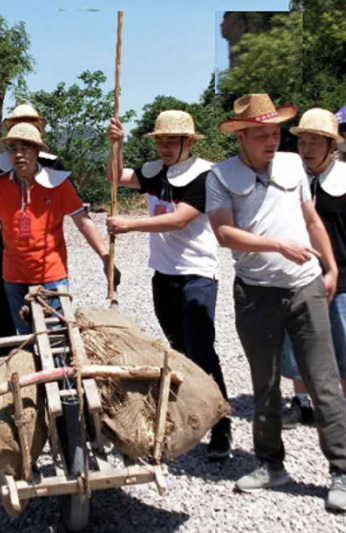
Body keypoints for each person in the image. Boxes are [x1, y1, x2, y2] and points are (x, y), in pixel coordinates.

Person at [205, 94, 346, 511]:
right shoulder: (220, 176)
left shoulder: (292, 165)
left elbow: (311, 219)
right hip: (255, 293)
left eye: (275, 133)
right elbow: (224, 234)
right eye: (262, 135)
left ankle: (342, 471)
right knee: (266, 383)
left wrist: (330, 267)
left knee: (323, 381)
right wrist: (277, 245)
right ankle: (271, 464)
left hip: (305, 287)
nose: (272, 141)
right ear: (241, 136)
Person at [105, 110, 232, 461]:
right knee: (178, 349)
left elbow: (180, 219)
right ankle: (190, 415)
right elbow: (115, 177)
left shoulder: (205, 175)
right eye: (160, 140)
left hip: (197, 273)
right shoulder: (153, 171)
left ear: (187, 142)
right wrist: (116, 145)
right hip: (163, 274)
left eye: (171, 140)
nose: (164, 146)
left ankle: (221, 424)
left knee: (202, 350)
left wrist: (128, 225)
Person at [0, 123, 116, 333]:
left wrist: (106, 258)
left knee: (56, 338)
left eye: (25, 148)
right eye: (14, 148)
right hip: (14, 276)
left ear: (37, 151)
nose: (19, 154)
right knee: (26, 337)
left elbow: (83, 222)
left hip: (51, 275)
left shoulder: (58, 184)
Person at [280, 108, 346, 439]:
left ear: (331, 145)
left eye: (314, 142)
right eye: (303, 142)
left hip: (343, 274)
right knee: (295, 339)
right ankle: (301, 401)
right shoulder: (290, 178)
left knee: (343, 341)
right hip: (297, 271)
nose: (306, 148)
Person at [0, 104, 64, 352]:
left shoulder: (52, 164)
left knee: (51, 296)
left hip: (47, 246)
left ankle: (51, 349)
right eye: (20, 122)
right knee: (7, 292)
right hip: (10, 240)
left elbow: (70, 199)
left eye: (31, 122)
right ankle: (5, 346)